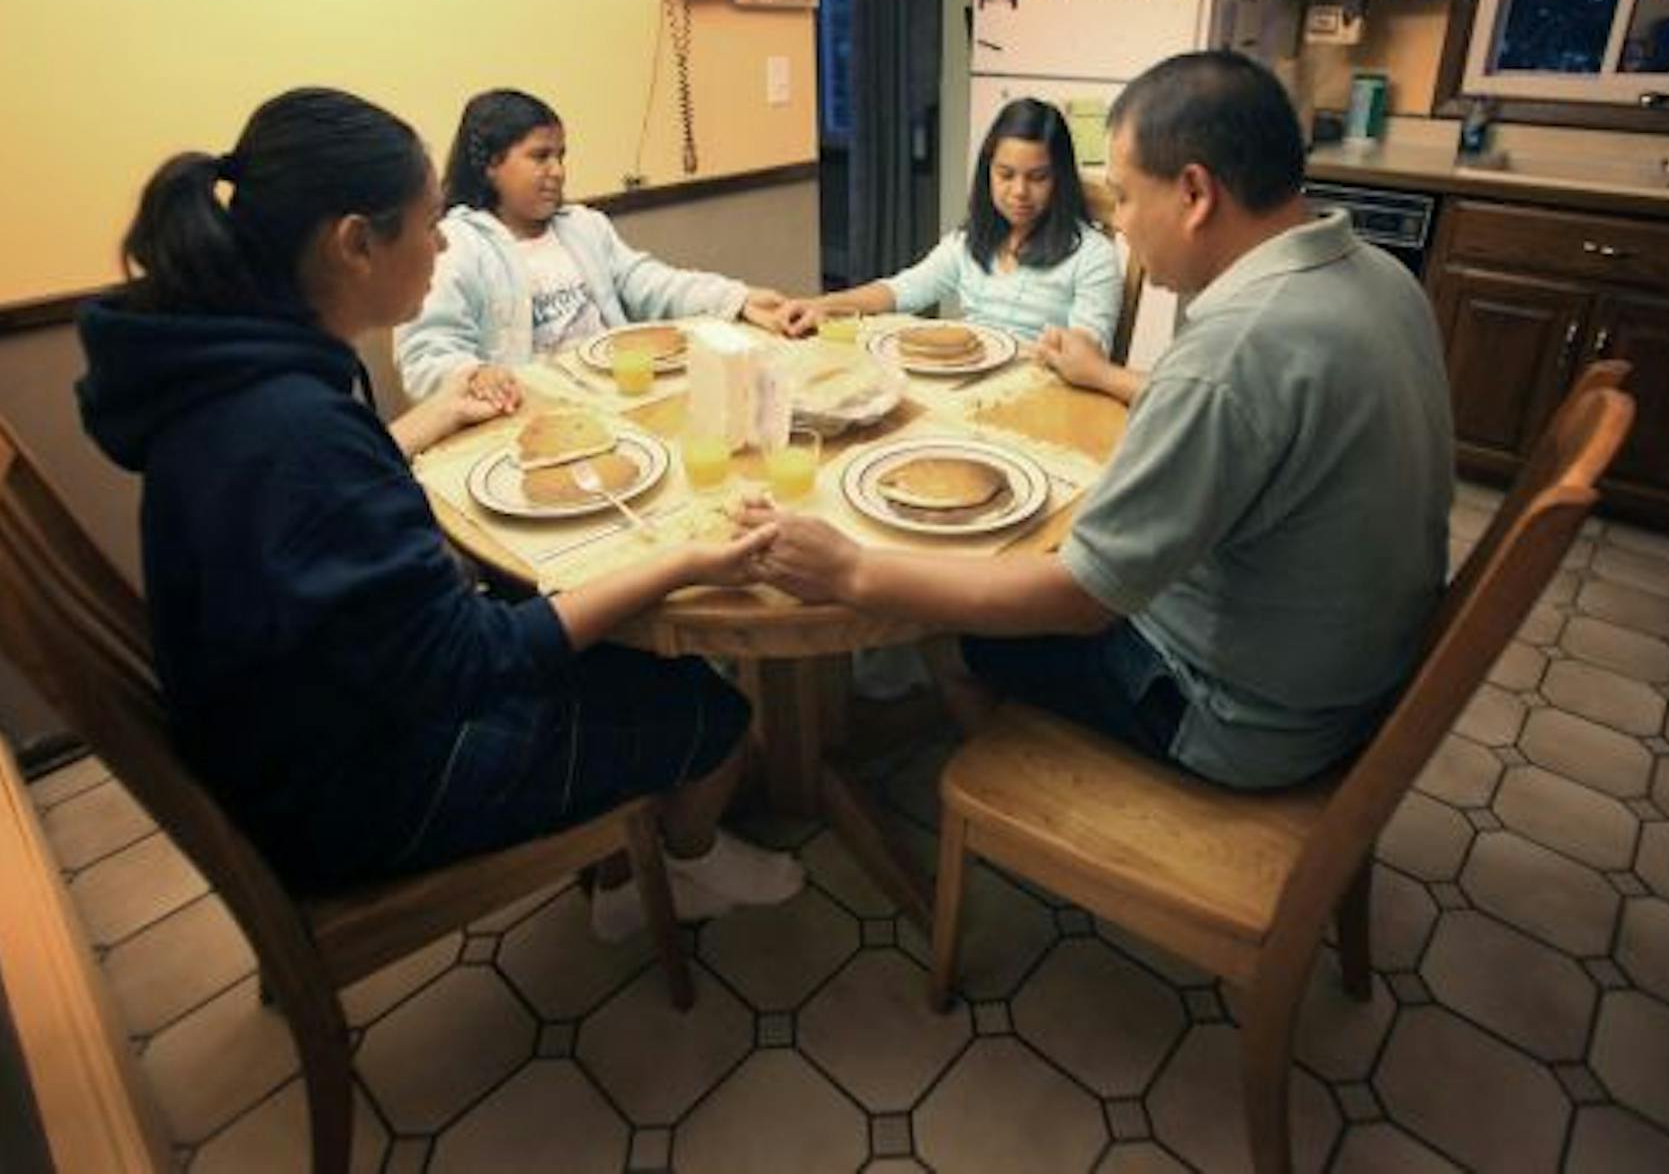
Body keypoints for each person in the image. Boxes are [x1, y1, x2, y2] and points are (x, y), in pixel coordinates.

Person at [77, 88, 802, 938]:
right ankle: (677, 874)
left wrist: (420, 423)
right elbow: (467, 656)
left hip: (301, 738)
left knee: (587, 622)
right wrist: (684, 560)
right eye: (427, 222)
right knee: (708, 708)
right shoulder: (290, 429)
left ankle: (628, 859)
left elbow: (342, 516)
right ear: (354, 243)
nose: (443, 239)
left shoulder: (241, 379)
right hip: (355, 797)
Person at [741, 52, 1453, 789]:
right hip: (1347, 689)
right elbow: (1254, 416)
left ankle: (1020, 788)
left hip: (1234, 715)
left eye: (1124, 196)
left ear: (1195, 193)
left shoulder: (1231, 349)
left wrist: (852, 569)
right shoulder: (1383, 277)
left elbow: (1079, 599)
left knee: (957, 611)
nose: (1120, 220)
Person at [395, 89, 801, 397]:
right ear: (490, 165)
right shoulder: (457, 246)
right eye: (540, 157)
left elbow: (650, 282)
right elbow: (427, 351)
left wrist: (737, 298)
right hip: (530, 413)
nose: (557, 171)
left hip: (619, 396)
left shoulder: (584, 227)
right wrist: (472, 376)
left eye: (561, 156)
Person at [782, 98, 1122, 350]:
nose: (1019, 192)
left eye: (1038, 177)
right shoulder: (969, 242)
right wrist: (820, 305)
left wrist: (1060, 349)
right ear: (987, 173)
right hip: (970, 388)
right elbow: (899, 291)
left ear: (1059, 178)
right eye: (1005, 175)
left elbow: (1089, 354)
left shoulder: (1093, 256)